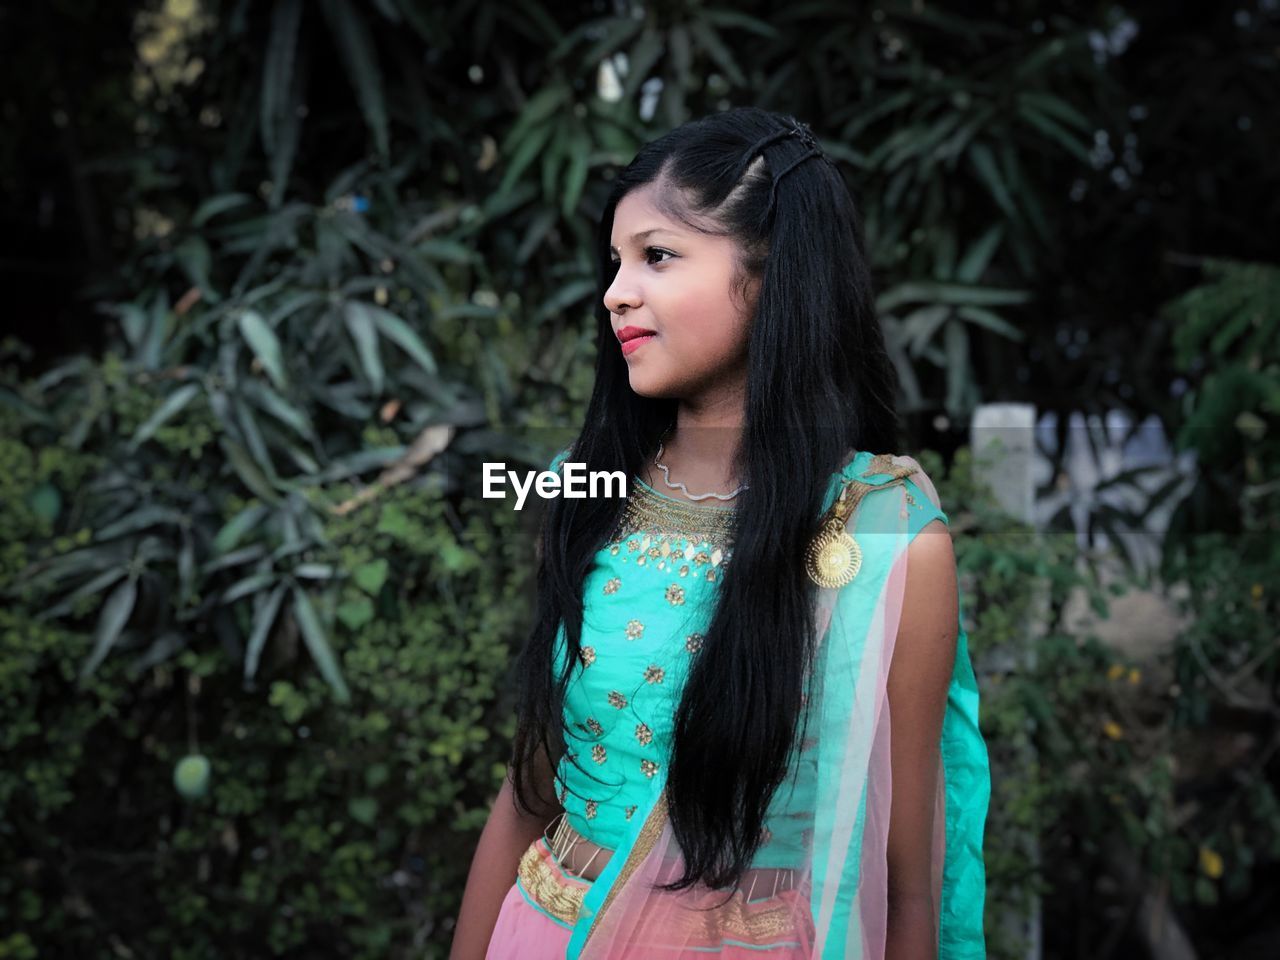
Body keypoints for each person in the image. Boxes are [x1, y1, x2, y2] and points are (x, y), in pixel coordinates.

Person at [450, 106, 990, 959]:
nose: (615, 292)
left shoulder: (884, 539)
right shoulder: (586, 492)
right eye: (616, 262)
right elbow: (529, 792)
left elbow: (903, 884)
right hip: (545, 932)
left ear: (773, 275)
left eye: (657, 256)